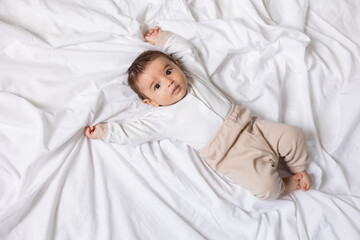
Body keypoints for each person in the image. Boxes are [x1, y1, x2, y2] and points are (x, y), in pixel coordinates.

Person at [85, 26, 311, 200]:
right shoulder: (162, 118)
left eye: (168, 71)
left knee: (295, 135)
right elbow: (132, 132)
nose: (168, 81)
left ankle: (298, 168)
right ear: (150, 102)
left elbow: (186, 50)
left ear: (177, 65)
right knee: (266, 189)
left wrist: (163, 38)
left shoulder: (193, 75)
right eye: (156, 86)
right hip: (230, 157)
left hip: (252, 126)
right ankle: (287, 184)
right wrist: (104, 132)